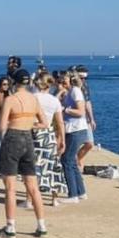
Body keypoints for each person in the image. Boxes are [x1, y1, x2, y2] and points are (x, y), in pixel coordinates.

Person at [0, 69, 48, 238]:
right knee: (32, 186)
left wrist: (8, 126)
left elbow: (2, 126)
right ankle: (41, 225)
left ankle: (10, 226)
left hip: (13, 137)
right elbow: (44, 123)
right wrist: (30, 125)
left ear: (13, 82)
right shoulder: (34, 99)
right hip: (27, 138)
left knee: (10, 187)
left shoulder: (10, 99)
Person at [32, 73, 67, 207]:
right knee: (52, 166)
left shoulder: (34, 98)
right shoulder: (54, 100)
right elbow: (60, 122)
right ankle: (54, 198)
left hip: (34, 132)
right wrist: (62, 139)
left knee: (33, 167)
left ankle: (31, 198)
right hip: (49, 135)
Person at [58, 71, 89, 203]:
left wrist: (65, 110)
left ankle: (73, 195)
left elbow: (81, 111)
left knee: (66, 160)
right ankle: (81, 192)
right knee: (72, 161)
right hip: (73, 130)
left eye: (64, 81)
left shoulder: (75, 91)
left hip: (76, 130)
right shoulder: (69, 92)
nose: (62, 83)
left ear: (71, 80)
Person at [75, 65, 96, 170]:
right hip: (73, 119)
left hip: (84, 119)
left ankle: (77, 159)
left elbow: (88, 102)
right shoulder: (70, 88)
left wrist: (91, 119)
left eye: (84, 78)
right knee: (74, 144)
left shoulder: (85, 86)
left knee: (90, 143)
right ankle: (76, 164)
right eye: (81, 77)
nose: (83, 80)